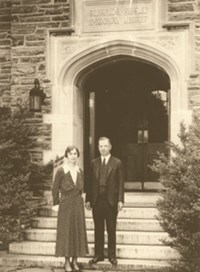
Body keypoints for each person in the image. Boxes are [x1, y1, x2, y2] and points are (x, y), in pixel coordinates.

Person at [85, 137, 125, 266]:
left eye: (105, 146)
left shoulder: (117, 163)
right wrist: (88, 200)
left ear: (110, 147)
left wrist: (120, 200)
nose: (103, 148)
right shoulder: (93, 163)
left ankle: (112, 256)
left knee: (111, 229)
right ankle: (99, 255)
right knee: (98, 229)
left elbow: (120, 183)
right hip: (97, 201)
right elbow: (89, 183)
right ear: (98, 147)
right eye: (100, 146)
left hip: (111, 201)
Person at [52, 145, 88, 272]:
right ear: (66, 155)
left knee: (77, 232)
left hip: (78, 204)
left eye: (75, 153)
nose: (73, 156)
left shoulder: (80, 171)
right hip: (66, 204)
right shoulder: (61, 170)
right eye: (71, 153)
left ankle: (75, 261)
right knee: (67, 232)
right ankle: (66, 262)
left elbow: (83, 188)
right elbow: (55, 188)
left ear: (77, 156)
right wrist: (56, 204)